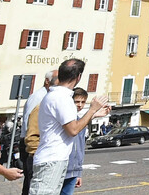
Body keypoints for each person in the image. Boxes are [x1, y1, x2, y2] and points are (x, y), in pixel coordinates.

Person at [31, 59, 110, 195]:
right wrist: (92, 109)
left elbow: (68, 124)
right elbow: (73, 129)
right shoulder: (62, 98)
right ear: (78, 77)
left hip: (53, 159)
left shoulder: (56, 95)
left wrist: (94, 115)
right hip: (52, 159)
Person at [20, 70, 56, 195]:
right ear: (47, 81)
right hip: (33, 145)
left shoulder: (47, 96)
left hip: (36, 145)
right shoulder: (39, 97)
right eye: (58, 78)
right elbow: (29, 124)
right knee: (32, 184)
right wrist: (33, 149)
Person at [59, 87, 90, 195]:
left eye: (83, 102)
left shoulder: (80, 121)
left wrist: (78, 173)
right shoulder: (64, 119)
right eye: (77, 101)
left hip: (72, 171)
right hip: (60, 168)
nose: (80, 105)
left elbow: (81, 147)